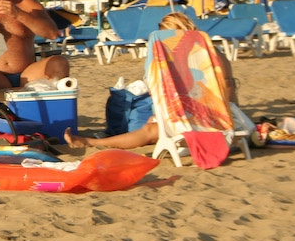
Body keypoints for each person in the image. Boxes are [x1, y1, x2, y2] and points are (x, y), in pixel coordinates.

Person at [63, 12, 237, 149]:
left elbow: (222, 95)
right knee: (152, 125)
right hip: (218, 114)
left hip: (211, 118)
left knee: (150, 130)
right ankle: (92, 141)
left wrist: (164, 116)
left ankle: (91, 142)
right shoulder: (212, 52)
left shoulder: (187, 58)